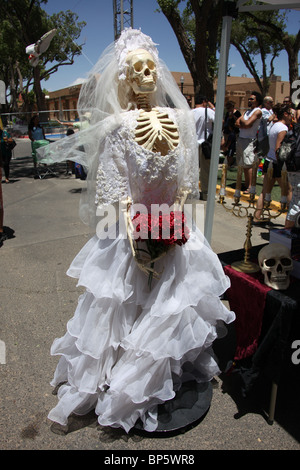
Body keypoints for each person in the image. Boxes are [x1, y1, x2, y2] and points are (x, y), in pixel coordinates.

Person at [37, 28, 234, 434]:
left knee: (172, 306)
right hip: (130, 230)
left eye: (151, 67)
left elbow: (184, 178)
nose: (147, 74)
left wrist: (175, 217)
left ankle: (160, 372)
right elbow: (115, 187)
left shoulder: (178, 119)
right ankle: (117, 377)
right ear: (125, 78)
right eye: (137, 69)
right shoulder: (118, 126)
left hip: (172, 226)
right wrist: (135, 231)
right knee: (124, 303)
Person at [253, 104, 293, 225]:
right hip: (277, 164)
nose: (292, 116)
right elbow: (278, 149)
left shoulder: (275, 126)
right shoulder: (283, 128)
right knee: (289, 191)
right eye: (291, 114)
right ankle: (290, 220)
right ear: (285, 114)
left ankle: (256, 217)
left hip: (268, 161)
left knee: (265, 191)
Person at [236, 92, 263, 193]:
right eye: (249, 99)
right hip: (241, 138)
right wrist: (244, 123)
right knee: (242, 164)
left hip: (249, 141)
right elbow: (237, 123)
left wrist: (243, 120)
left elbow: (247, 123)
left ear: (257, 101)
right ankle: (246, 184)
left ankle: (250, 187)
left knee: (248, 164)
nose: (249, 101)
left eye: (252, 99)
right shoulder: (247, 112)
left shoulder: (257, 111)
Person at [193, 94, 215, 200]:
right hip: (205, 144)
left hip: (193, 144)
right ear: (204, 102)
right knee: (205, 169)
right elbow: (220, 121)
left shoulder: (190, 113)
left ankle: (193, 191)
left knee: (193, 168)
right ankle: (205, 192)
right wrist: (212, 107)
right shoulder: (208, 111)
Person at [222, 101, 241, 167]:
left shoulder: (237, 113)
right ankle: (227, 156)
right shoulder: (227, 113)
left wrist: (233, 116)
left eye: (229, 108)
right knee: (223, 145)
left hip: (233, 133)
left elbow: (239, 121)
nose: (228, 109)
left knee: (230, 147)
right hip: (226, 132)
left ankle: (230, 162)